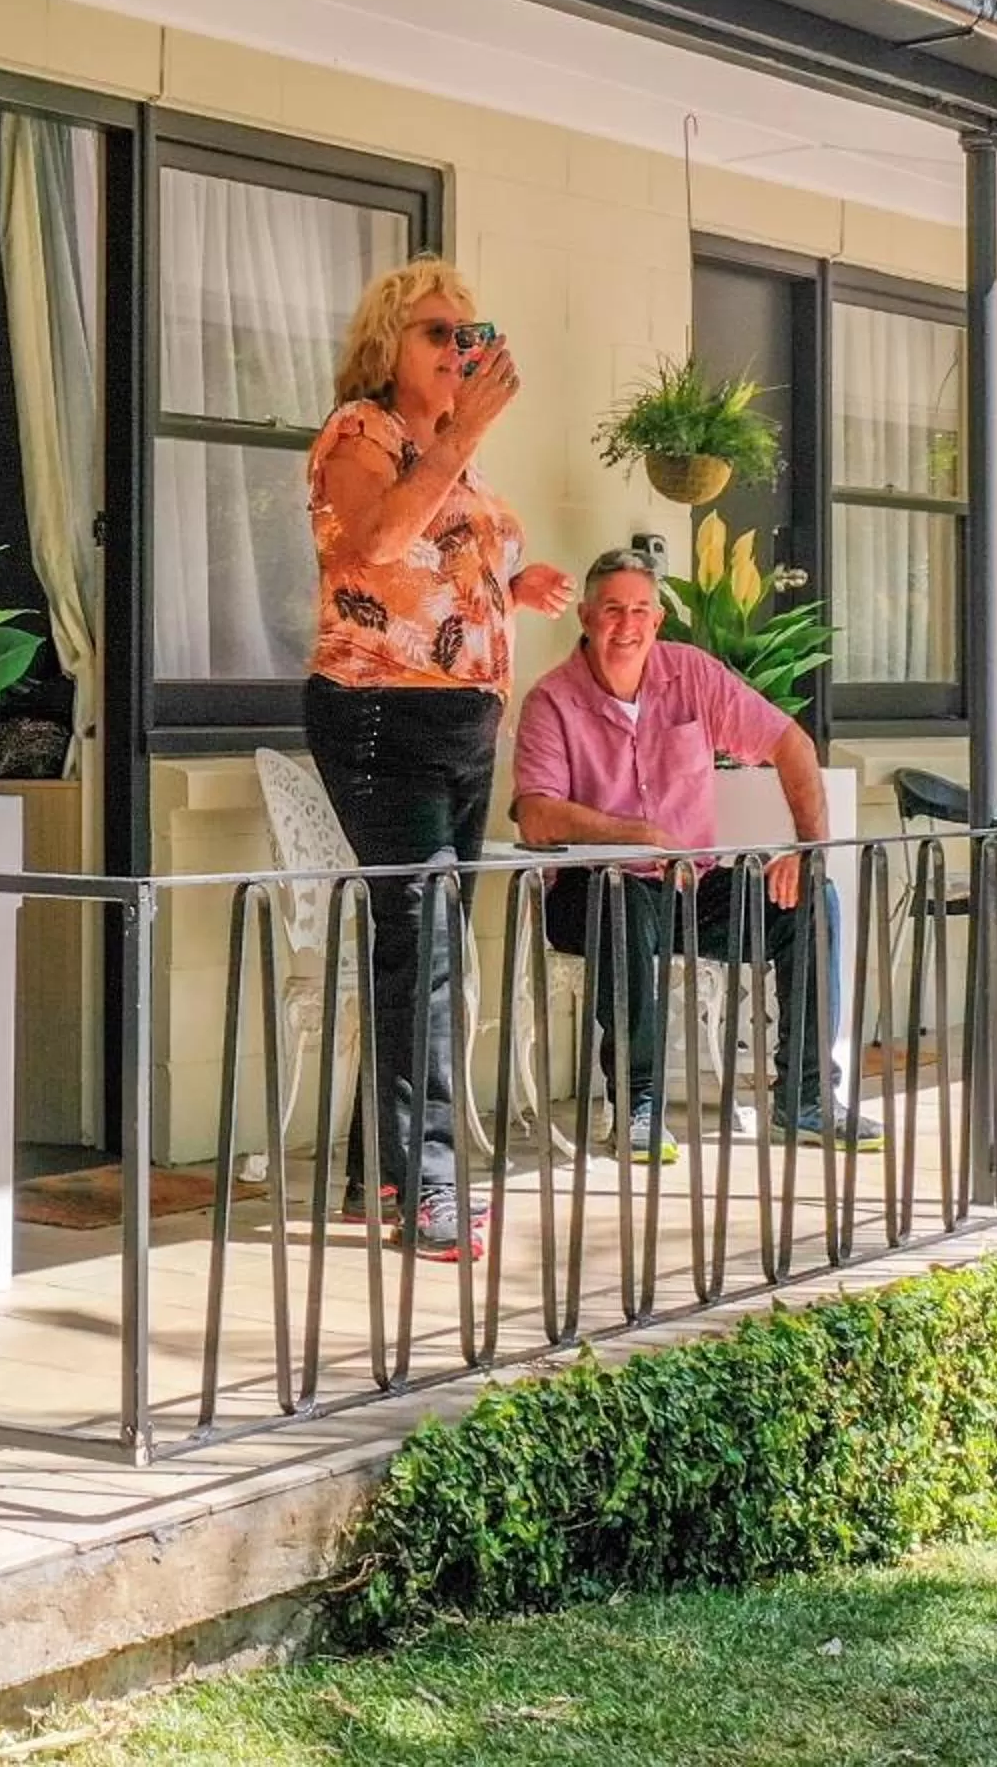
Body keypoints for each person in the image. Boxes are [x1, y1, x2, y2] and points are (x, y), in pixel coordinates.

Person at [303, 258, 575, 1260]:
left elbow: (451, 564)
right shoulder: (360, 435)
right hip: (382, 716)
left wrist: (518, 580)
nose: (458, 346)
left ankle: (378, 1170)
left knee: (429, 948)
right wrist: (464, 436)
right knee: (420, 947)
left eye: (470, 330)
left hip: (463, 728)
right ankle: (423, 1182)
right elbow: (376, 546)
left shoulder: (451, 455)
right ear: (387, 346)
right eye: (434, 331)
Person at [511, 548, 882, 1159]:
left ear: (657, 620)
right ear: (584, 616)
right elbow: (537, 813)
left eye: (639, 611)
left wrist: (805, 849)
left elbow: (789, 742)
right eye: (611, 610)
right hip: (589, 892)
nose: (625, 625)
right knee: (620, 898)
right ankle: (638, 1106)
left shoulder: (692, 674)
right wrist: (633, 834)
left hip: (687, 885)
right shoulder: (552, 700)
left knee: (811, 899)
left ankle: (807, 1099)